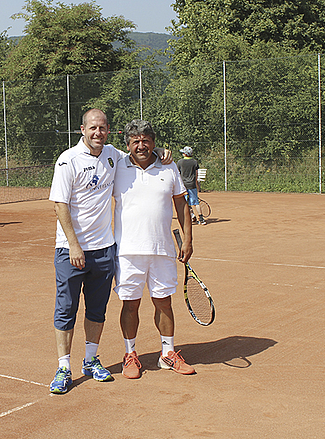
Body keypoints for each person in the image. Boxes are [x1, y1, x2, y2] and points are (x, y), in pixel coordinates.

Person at [47, 108, 173, 394]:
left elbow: (142, 152)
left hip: (104, 250)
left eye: (102, 128)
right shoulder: (68, 160)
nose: (98, 133)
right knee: (66, 310)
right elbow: (60, 205)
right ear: (82, 129)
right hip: (71, 250)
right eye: (93, 128)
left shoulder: (113, 156)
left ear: (108, 131)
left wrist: (165, 152)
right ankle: (63, 367)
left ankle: (91, 360)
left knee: (97, 310)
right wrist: (74, 245)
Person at [113, 120, 196, 379]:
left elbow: (181, 205)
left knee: (164, 303)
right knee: (130, 305)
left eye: (146, 140)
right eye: (135, 141)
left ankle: (167, 354)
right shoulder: (116, 166)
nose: (141, 145)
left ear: (154, 142)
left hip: (162, 250)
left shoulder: (169, 166)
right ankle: (130, 355)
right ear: (127, 145)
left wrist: (188, 240)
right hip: (127, 251)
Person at [177, 146, 206, 225]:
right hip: (192, 185)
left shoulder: (180, 162)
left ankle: (188, 218)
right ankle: (200, 218)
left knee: (185, 203)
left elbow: (178, 174)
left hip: (183, 186)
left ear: (185, 154)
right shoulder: (194, 162)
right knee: (196, 202)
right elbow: (196, 175)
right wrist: (197, 185)